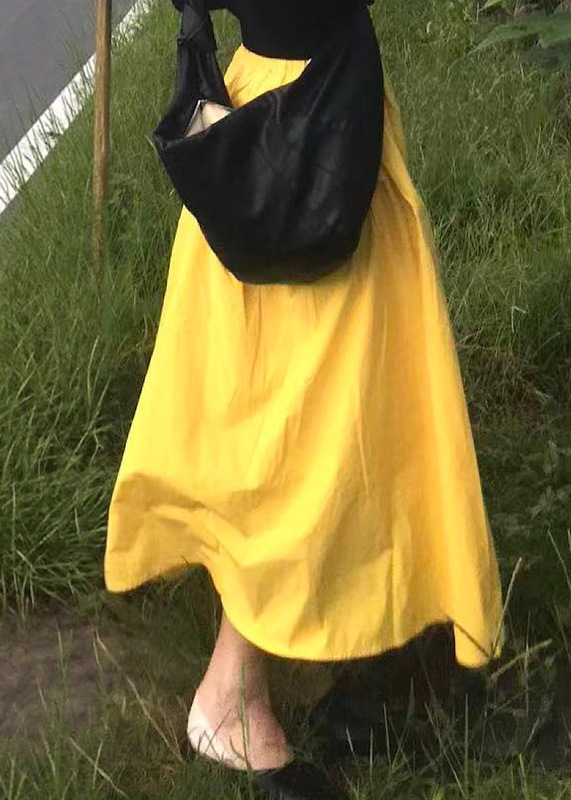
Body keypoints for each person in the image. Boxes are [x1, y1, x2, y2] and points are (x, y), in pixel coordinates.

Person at [103, 0, 504, 797]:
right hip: (297, 138)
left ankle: (377, 635)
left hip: (300, 116)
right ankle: (230, 697)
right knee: (301, 438)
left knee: (353, 416)